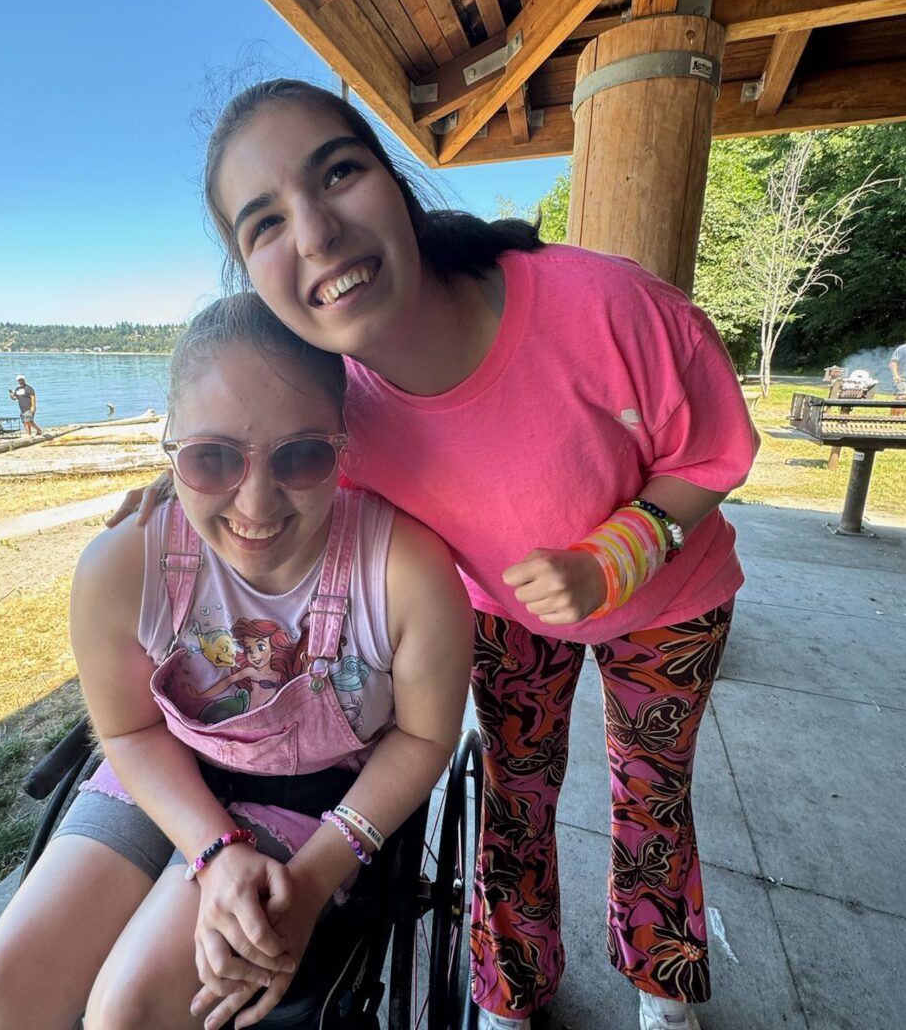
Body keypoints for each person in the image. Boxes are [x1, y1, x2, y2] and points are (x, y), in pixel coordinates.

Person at [116, 79, 760, 1030]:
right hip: (503, 614)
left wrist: (617, 553)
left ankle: (662, 984)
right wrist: (186, 482)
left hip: (671, 602)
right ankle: (513, 988)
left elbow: (717, 448)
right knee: (514, 799)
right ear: (251, 278)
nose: (318, 234)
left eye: (338, 172)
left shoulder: (606, 305)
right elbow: (263, 443)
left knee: (652, 794)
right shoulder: (333, 410)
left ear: (397, 183)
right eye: (264, 223)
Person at [0, 294, 472, 1030]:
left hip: (317, 801)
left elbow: (425, 738)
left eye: (300, 455)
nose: (256, 503)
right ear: (171, 448)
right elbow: (131, 732)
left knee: (127, 1010)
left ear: (341, 445)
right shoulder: (122, 568)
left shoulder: (405, 573)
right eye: (212, 458)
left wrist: (316, 872)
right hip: (165, 768)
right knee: (0, 1003)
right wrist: (214, 850)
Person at [889, 327, 906, 416]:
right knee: (901, 397)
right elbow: (893, 362)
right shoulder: (902, 348)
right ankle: (891, 418)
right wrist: (896, 375)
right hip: (903, 379)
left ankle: (900, 418)